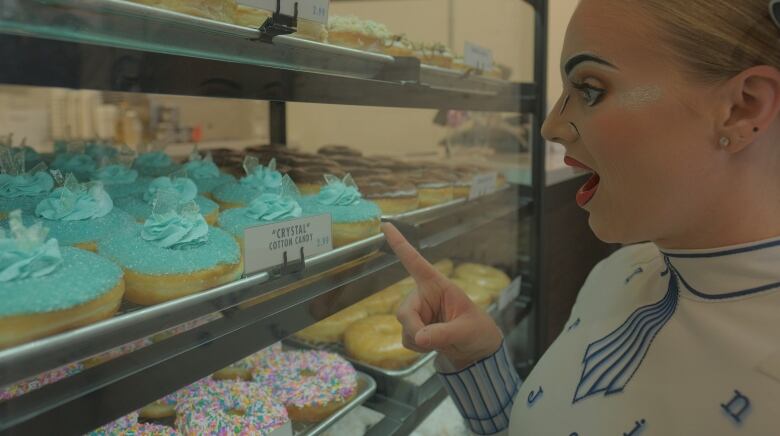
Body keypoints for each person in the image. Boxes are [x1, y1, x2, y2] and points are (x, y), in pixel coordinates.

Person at [382, 0, 780, 434]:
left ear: (743, 108)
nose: (550, 126)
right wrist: (475, 359)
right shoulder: (619, 271)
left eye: (590, 89)